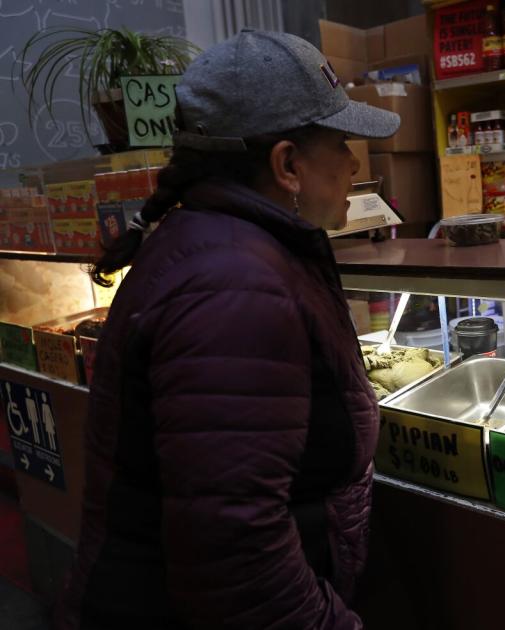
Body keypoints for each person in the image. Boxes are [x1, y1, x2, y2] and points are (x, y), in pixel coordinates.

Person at [55, 30, 400, 629]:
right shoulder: (233, 285)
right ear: (287, 164)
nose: (352, 162)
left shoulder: (226, 246)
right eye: (341, 142)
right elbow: (237, 553)